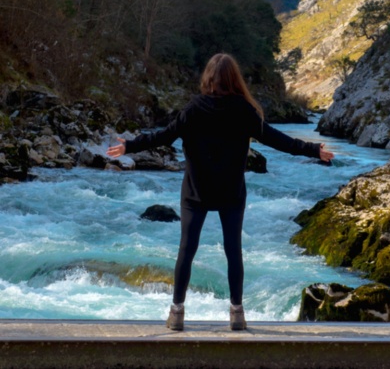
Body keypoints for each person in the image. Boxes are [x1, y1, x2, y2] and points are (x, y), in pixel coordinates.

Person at [106, 53, 334, 331]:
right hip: (230, 191)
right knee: (233, 250)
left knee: (187, 249)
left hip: (196, 190)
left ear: (208, 79)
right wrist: (313, 149)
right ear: (233, 79)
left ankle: (177, 313)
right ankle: (237, 313)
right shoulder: (244, 110)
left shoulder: (193, 109)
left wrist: (129, 146)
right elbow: (277, 139)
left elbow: (163, 136)